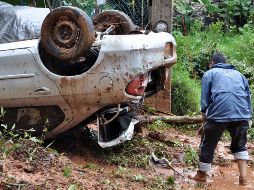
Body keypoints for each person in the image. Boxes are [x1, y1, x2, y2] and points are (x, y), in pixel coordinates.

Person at [189, 52, 253, 186]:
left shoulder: (210, 73)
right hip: (242, 115)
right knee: (240, 145)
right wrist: (249, 117)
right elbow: (248, 98)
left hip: (218, 114)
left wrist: (205, 120)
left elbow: (205, 100)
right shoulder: (240, 75)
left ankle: (201, 175)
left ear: (212, 63)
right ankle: (243, 179)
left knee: (208, 144)